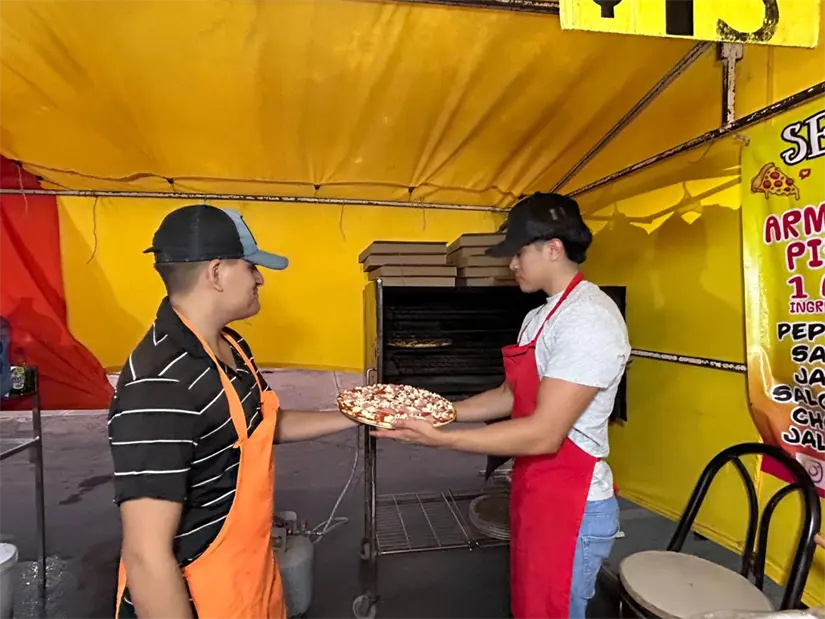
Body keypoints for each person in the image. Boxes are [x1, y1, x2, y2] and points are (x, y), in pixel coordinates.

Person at [373, 192, 630, 619]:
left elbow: (546, 432)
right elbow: (509, 395)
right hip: (535, 489)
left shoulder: (589, 319)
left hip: (572, 503)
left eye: (517, 253)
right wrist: (439, 411)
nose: (511, 265)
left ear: (553, 248)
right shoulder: (540, 316)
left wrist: (442, 441)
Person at [108, 204, 356, 619]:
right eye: (251, 267)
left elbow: (259, 428)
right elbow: (147, 557)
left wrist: (355, 414)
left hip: (251, 581)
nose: (260, 278)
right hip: (198, 597)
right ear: (217, 273)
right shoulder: (159, 386)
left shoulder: (232, 347)